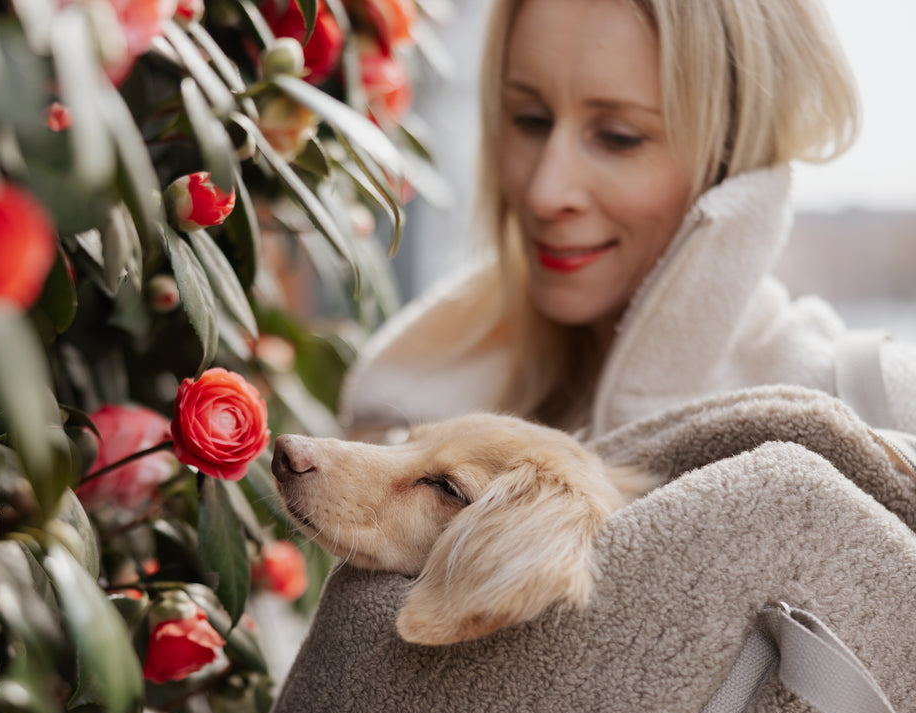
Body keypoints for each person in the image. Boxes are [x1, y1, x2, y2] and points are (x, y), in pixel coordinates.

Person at [339, 0, 916, 446]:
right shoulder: (406, 401)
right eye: (530, 120)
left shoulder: (870, 410)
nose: (545, 192)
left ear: (734, 157)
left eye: (620, 137)